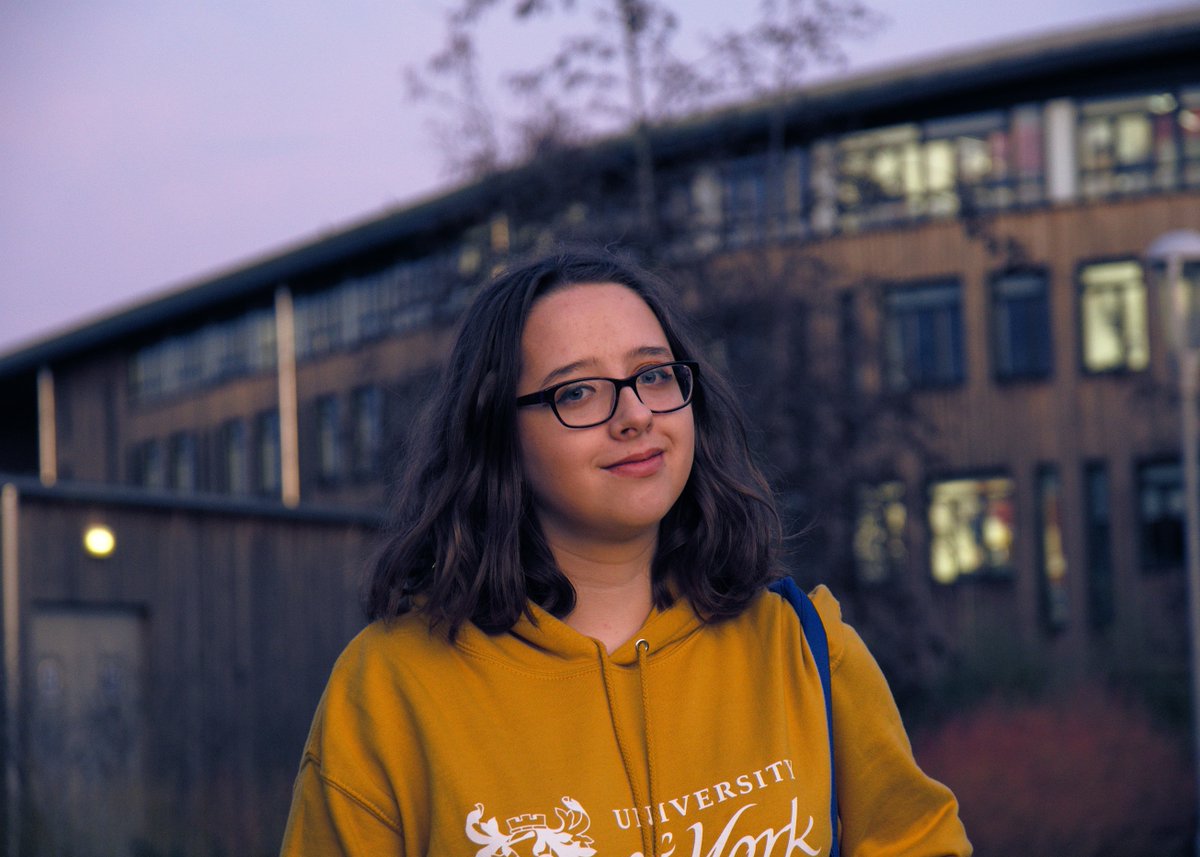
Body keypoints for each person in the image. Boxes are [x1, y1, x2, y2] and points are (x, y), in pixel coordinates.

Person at [280, 250, 971, 857]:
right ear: (498, 431)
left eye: (655, 375)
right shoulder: (390, 688)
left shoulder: (803, 646)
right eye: (577, 391)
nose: (635, 413)